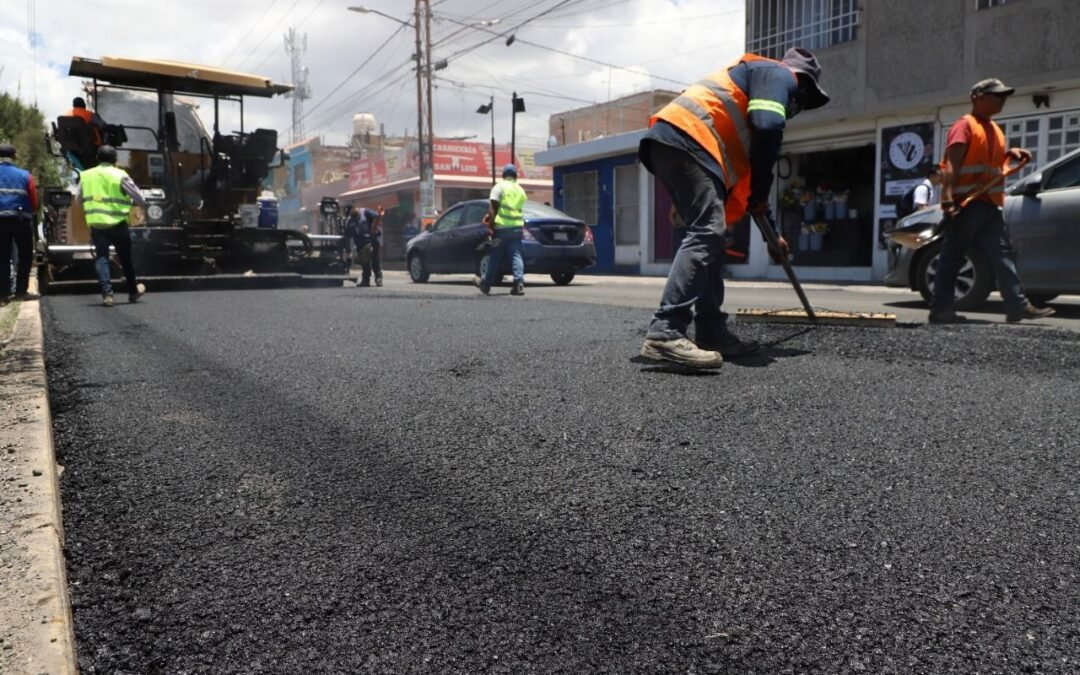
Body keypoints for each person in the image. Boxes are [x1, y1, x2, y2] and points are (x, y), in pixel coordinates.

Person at [638, 48, 830, 368]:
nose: (796, 108)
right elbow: (768, 126)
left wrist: (773, 237)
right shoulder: (777, 75)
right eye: (801, 101)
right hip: (689, 139)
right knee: (708, 231)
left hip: (676, 143)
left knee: (713, 234)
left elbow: (751, 196)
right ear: (803, 85)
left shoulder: (741, 121)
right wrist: (762, 190)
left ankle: (712, 331)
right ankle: (666, 330)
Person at [931, 78, 1055, 324]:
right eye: (996, 95)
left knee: (1003, 254)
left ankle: (1017, 306)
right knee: (953, 255)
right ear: (977, 96)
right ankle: (941, 309)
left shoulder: (994, 129)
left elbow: (990, 165)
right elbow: (951, 165)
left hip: (989, 203)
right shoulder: (964, 126)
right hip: (966, 203)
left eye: (1004, 96)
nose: (1002, 100)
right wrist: (946, 199)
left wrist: (1010, 154)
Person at [77, 145, 146, 307]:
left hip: (98, 224)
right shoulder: (120, 175)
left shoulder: (86, 175)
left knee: (102, 258)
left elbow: (79, 200)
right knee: (125, 258)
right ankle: (133, 291)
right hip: (118, 224)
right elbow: (140, 198)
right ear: (115, 160)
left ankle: (107, 295)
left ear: (97, 158)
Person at [477, 164, 527, 296]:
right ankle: (519, 284)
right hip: (516, 227)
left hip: (502, 228)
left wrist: (490, 227)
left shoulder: (499, 187)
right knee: (516, 255)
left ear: (503, 175)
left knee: (495, 256)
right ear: (515, 176)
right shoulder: (520, 190)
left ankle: (486, 284)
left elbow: (493, 207)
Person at [0, 143, 39, 305]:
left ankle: (2, 296)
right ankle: (20, 292)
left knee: (2, 258)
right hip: (20, 220)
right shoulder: (25, 175)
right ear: (14, 157)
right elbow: (33, 200)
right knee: (25, 256)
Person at [346, 204, 385, 287]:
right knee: (365, 264)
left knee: (375, 261)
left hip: (372, 240)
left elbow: (376, 216)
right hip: (361, 245)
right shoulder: (350, 220)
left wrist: (373, 229)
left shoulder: (365, 212)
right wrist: (348, 248)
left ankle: (378, 279)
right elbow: (348, 234)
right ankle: (366, 280)